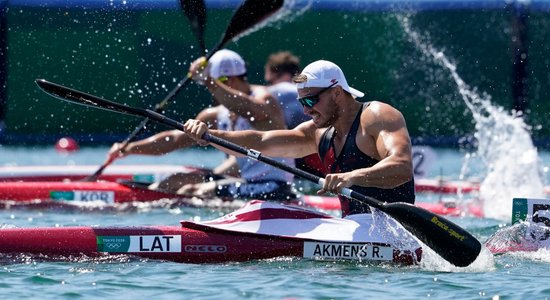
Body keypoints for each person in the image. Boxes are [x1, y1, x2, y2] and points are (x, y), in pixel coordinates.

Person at [182, 60, 415, 217]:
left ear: (336, 92)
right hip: (356, 230)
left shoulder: (376, 116)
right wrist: (210, 135)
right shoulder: (318, 133)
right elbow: (262, 141)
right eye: (302, 102)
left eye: (311, 101)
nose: (306, 110)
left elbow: (402, 167)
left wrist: (351, 177)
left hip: (395, 228)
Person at [107, 49, 296, 201]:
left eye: (215, 83)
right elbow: (175, 140)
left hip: (275, 187)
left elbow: (249, 109)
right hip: (244, 182)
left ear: (226, 81)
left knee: (197, 190)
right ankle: (137, 205)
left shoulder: (264, 100)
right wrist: (129, 148)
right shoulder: (214, 115)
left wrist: (207, 80)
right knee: (175, 181)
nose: (211, 90)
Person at [264, 51, 325, 178]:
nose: (268, 86)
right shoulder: (305, 88)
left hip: (316, 158)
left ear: (285, 76)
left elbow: (250, 96)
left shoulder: (284, 89)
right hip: (320, 155)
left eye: (270, 81)